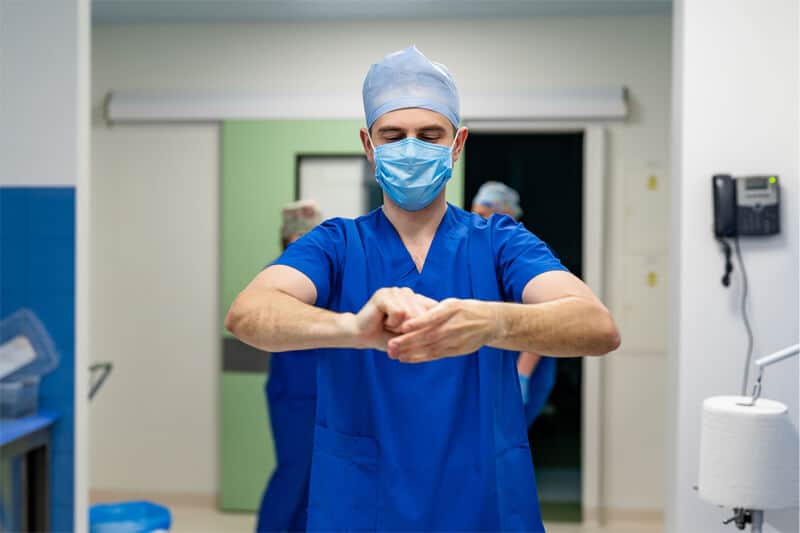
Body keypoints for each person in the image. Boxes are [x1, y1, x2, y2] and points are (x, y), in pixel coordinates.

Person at [226, 45, 620, 531]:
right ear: (369, 146)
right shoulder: (338, 243)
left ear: (457, 145)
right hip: (363, 499)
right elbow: (248, 312)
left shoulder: (499, 242)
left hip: (478, 498)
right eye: (393, 135)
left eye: (430, 135)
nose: (410, 147)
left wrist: (493, 320)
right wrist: (352, 327)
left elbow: (597, 326)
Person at [256, 200, 322, 533]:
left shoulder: (325, 275)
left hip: (318, 393)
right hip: (294, 396)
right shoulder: (280, 277)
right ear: (287, 238)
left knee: (313, 477)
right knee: (294, 471)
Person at [472, 181, 557, 426]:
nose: (478, 222)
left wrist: (522, 374)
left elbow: (543, 320)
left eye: (484, 215)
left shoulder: (527, 254)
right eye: (475, 214)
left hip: (519, 364)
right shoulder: (480, 252)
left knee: (508, 440)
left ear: (506, 214)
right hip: (489, 362)